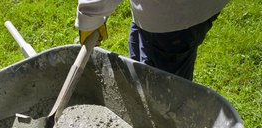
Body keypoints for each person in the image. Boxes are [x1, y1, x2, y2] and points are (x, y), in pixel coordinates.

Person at [75, 0, 229, 81]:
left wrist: (89, 20)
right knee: (140, 58)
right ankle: (144, 98)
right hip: (163, 9)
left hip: (175, 14)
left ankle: (165, 126)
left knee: (168, 84)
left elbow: (94, 4)